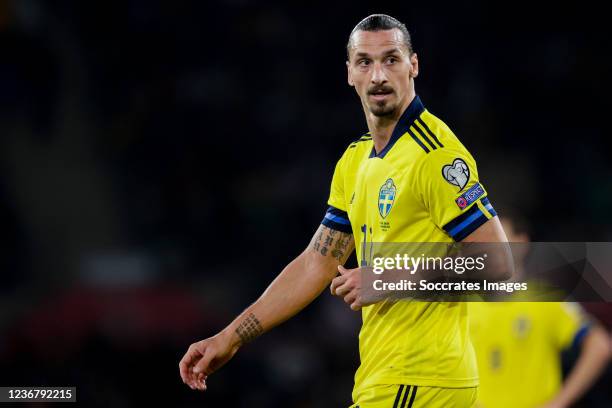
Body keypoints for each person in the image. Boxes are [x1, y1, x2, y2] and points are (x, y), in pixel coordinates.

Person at [179, 14, 510, 407]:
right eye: (365, 62)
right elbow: (315, 265)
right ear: (349, 72)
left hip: (422, 379)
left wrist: (389, 278)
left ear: (413, 65)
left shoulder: (434, 156)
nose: (379, 76)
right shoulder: (355, 160)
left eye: (391, 59)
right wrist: (229, 337)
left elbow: (498, 265)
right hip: (389, 379)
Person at [469, 214, 611, 408]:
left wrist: (558, 403)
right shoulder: (464, 305)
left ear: (522, 243)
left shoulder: (545, 299)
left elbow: (600, 345)